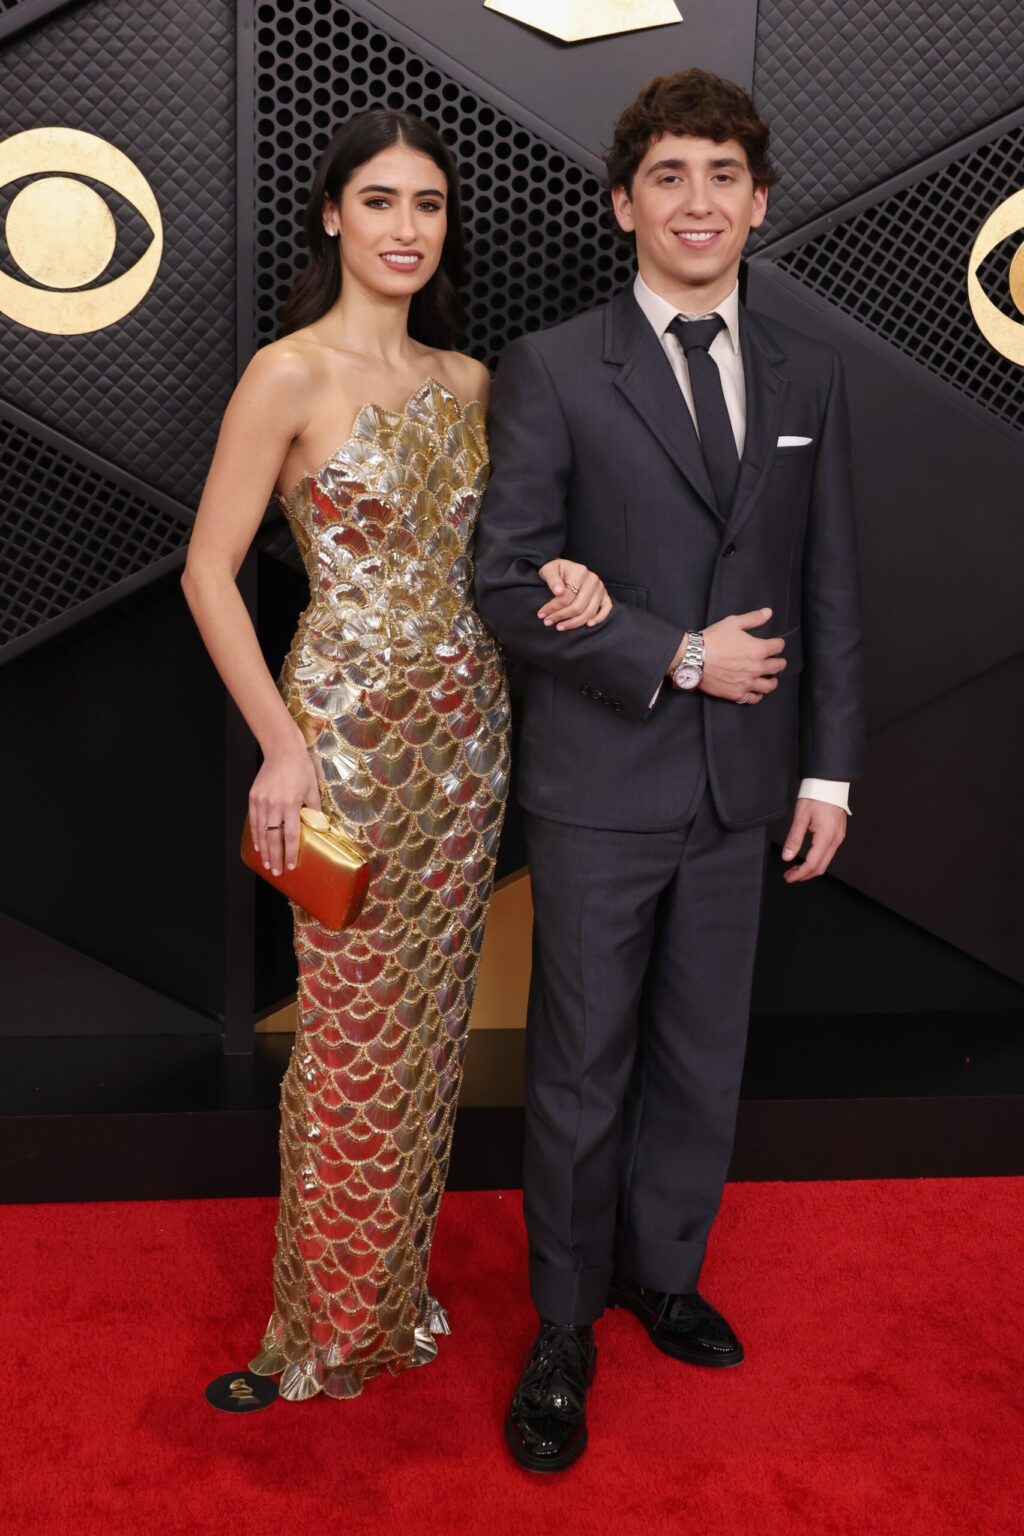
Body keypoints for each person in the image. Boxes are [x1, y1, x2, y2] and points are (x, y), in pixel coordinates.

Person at [182, 109, 607, 1402]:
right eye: (380, 201)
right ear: (332, 216)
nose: (406, 227)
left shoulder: (473, 385)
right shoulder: (286, 375)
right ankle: (306, 1328)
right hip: (334, 756)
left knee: (422, 1033)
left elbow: (508, 562)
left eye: (427, 204)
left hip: (467, 745)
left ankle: (390, 1305)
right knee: (345, 1025)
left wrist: (571, 574)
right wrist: (278, 751)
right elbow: (207, 573)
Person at [475, 69, 864, 1470]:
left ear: (759, 202)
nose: (696, 202)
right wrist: (677, 652)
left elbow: (829, 589)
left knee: (701, 1062)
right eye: (668, 176)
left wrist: (829, 775)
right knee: (583, 1070)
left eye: (722, 177)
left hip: (745, 791)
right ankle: (566, 1323)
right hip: (603, 783)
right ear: (623, 199)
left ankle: (662, 1273)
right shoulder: (558, 365)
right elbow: (507, 583)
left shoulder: (811, 370)